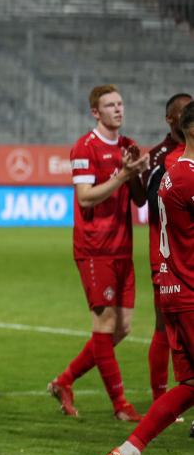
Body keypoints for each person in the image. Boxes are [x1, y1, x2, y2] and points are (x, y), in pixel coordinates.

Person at [104, 100, 194, 455]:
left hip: (175, 287)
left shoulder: (175, 171)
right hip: (189, 291)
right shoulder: (188, 176)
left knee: (190, 382)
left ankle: (129, 452)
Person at [48, 85, 148, 421]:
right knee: (104, 326)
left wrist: (135, 173)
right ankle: (120, 405)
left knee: (123, 328)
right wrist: (122, 175)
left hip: (123, 247)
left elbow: (139, 200)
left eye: (120, 103)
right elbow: (86, 198)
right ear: (95, 112)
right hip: (95, 248)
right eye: (110, 105)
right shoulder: (85, 147)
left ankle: (64, 380)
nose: (118, 109)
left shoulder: (127, 146)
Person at [142, 93, 192, 403]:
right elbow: (149, 204)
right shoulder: (162, 158)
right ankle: (161, 396)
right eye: (184, 111)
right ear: (172, 119)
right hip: (169, 258)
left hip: (184, 258)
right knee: (163, 327)